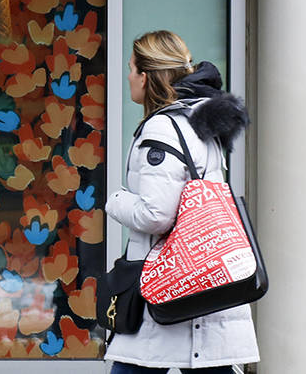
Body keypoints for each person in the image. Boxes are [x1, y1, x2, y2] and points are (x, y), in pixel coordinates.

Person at [104, 30, 259, 373]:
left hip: (168, 286)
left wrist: (114, 201)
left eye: (132, 69)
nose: (128, 77)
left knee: (134, 368)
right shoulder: (201, 123)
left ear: (146, 76)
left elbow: (156, 215)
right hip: (209, 281)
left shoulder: (162, 128)